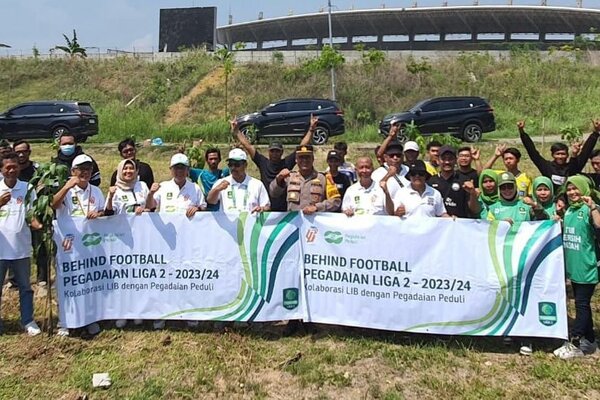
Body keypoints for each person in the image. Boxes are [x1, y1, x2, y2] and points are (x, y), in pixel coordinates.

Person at [146, 153, 206, 330]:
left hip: (189, 242)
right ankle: (161, 314)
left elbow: (204, 209)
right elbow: (150, 206)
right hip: (166, 241)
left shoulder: (195, 188)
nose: (179, 171)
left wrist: (197, 208)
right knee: (165, 277)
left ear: (188, 170)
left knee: (188, 276)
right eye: (176, 168)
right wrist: (150, 193)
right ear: (171, 169)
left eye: (183, 168)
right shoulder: (163, 187)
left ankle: (189, 313)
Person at [51, 154, 106, 337]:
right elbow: (54, 204)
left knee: (89, 282)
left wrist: (98, 213)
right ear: (73, 171)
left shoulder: (96, 191)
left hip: (90, 246)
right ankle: (65, 322)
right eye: (81, 169)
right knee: (68, 281)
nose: (85, 172)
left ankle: (89, 319)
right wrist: (67, 187)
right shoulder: (68, 190)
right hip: (69, 246)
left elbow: (103, 212)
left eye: (88, 169)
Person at [553, 175, 600, 359]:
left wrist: (593, 207)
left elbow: (598, 224)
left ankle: (574, 342)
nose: (572, 192)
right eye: (569, 189)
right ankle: (590, 341)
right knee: (581, 304)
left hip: (587, 266)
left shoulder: (590, 209)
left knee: (581, 305)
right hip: (573, 267)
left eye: (576, 189)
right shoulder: (571, 210)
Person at [0, 152, 42, 336]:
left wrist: (39, 225)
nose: (11, 170)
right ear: (1, 169)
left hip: (21, 249)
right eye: (7, 167)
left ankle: (28, 320)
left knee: (25, 287)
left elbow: (31, 215)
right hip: (0, 249)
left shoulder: (27, 188)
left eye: (14, 166)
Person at [233, 117, 315, 211]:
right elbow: (248, 146)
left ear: (282, 152)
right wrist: (237, 131)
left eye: (277, 151)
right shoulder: (262, 162)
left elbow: (301, 146)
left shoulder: (286, 163)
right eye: (272, 151)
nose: (275, 154)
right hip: (265, 207)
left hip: (283, 209)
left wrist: (311, 129)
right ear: (268, 152)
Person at [518, 120, 600, 191]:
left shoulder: (573, 167)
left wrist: (595, 133)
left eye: (563, 154)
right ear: (552, 155)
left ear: (567, 155)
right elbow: (532, 152)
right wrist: (522, 132)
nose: (560, 157)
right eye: (558, 154)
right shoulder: (547, 167)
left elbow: (585, 153)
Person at [13, 140, 48, 285]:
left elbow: (45, 187)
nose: (21, 154)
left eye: (24, 151)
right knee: (15, 244)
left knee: (39, 244)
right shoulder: (12, 169)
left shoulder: (37, 169)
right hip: (16, 211)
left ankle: (42, 277)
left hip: (36, 210)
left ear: (29, 152)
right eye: (18, 152)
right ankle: (14, 278)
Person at [270, 145, 341, 214]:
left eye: (307, 157)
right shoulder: (289, 177)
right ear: (296, 160)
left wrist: (317, 207)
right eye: (301, 157)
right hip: (294, 223)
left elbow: (336, 201)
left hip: (314, 223)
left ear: (313, 159)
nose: (304, 160)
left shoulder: (324, 178)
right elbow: (273, 193)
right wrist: (278, 179)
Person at [207, 149, 270, 213]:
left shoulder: (257, 184)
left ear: (245, 165)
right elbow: (210, 201)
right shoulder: (221, 183)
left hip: (250, 222)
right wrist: (216, 189)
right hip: (227, 222)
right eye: (230, 165)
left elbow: (266, 206)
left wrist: (262, 208)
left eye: (237, 165)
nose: (233, 168)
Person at [384, 160, 448, 218]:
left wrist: (453, 220)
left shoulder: (435, 193)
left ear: (425, 176)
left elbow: (442, 214)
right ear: (409, 176)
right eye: (413, 174)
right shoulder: (401, 193)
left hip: (429, 230)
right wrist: (397, 213)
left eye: (421, 174)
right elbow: (392, 214)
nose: (417, 176)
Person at [428, 145, 480, 218]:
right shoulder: (430, 181)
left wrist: (473, 194)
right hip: (438, 226)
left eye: (450, 159)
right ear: (438, 160)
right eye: (443, 159)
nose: (447, 162)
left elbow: (475, 210)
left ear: (456, 160)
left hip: (459, 225)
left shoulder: (465, 181)